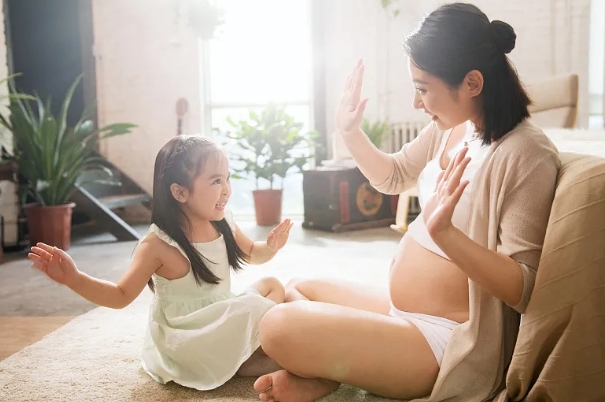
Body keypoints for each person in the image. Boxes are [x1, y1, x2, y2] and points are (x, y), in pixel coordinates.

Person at [253, 3, 560, 402]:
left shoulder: (527, 154)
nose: (417, 103)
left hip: (443, 340)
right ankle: (327, 371)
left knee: (277, 326)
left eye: (422, 88)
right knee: (298, 287)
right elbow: (394, 176)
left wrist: (446, 236)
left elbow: (524, 286)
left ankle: (338, 364)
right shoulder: (456, 126)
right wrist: (350, 133)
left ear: (472, 83)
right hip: (401, 312)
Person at [28, 135, 294, 391]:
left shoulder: (222, 222)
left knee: (272, 284)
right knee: (256, 310)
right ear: (180, 192)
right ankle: (238, 361)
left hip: (221, 313)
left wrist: (270, 247)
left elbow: (252, 253)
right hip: (189, 338)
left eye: (227, 178)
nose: (227, 190)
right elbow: (119, 296)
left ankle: (240, 356)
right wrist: (73, 278)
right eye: (215, 181)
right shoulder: (157, 245)